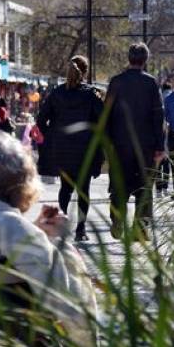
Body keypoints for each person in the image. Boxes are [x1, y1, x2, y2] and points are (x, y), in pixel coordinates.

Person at [0, 132, 97, 347]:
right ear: (20, 185)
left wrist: (37, 232)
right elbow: (61, 297)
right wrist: (61, 244)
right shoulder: (10, 226)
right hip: (6, 326)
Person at [37, 55, 104, 241]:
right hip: (85, 148)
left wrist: (52, 134)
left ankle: (63, 224)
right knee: (83, 189)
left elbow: (41, 119)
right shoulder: (91, 94)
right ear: (85, 71)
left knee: (65, 188)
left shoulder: (57, 93)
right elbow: (102, 120)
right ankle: (81, 229)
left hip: (62, 147)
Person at [105, 43, 166, 240]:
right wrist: (159, 145)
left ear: (129, 58)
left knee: (118, 185)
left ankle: (117, 219)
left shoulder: (116, 82)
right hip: (145, 145)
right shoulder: (150, 83)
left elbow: (106, 114)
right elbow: (158, 116)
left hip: (119, 144)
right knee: (144, 187)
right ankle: (140, 228)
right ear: (145, 60)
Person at [156, 81, 174, 196]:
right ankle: (165, 187)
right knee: (166, 165)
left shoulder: (158, 100)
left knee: (158, 164)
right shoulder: (172, 98)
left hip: (157, 137)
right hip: (168, 136)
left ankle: (158, 189)